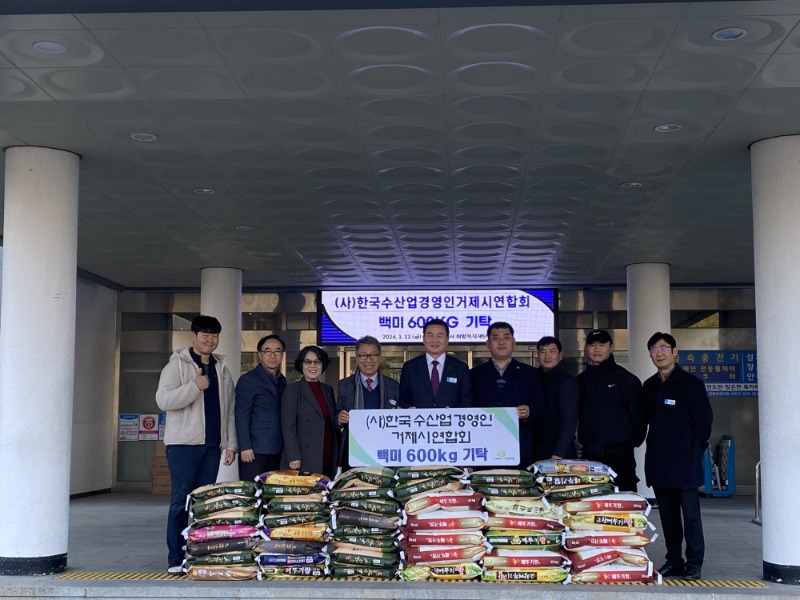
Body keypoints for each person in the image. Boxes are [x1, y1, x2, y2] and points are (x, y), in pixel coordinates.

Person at [155, 315, 236, 574]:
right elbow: (163, 400)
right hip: (183, 445)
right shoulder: (177, 365)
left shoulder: (222, 368)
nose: (210, 340)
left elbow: (230, 411)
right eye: (205, 335)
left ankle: (199, 552)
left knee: (203, 503)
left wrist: (230, 443)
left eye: (214, 335)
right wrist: (194, 386)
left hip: (212, 445)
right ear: (194, 336)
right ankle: (175, 557)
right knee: (180, 500)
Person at [643, 332, 713, 581]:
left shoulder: (691, 384)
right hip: (659, 463)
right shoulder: (650, 386)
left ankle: (694, 563)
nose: (659, 353)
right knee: (669, 518)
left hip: (685, 462)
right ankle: (674, 561)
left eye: (664, 348)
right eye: (653, 349)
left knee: (691, 517)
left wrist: (692, 449)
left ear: (674, 352)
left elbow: (704, 424)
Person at [576, 329, 646, 492]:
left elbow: (640, 419)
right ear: (586, 349)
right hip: (590, 455)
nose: (597, 349)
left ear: (611, 347)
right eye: (592, 345)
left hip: (620, 455)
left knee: (623, 505)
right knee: (592, 507)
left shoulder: (626, 380)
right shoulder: (581, 381)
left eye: (602, 345)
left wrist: (626, 443)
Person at [470, 322, 541, 468]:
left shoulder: (530, 373)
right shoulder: (474, 374)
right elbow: (468, 406)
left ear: (514, 343)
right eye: (495, 338)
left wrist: (529, 411)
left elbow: (540, 405)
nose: (501, 342)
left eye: (506, 337)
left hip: (519, 449)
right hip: (484, 448)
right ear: (488, 344)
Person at [336, 335, 400, 469]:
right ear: (357, 358)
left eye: (373, 355)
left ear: (380, 357)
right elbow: (335, 418)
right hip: (354, 452)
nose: (368, 360)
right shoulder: (344, 385)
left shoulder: (393, 385)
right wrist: (339, 418)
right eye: (363, 355)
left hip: (385, 451)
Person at [281, 345, 339, 478]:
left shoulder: (327, 390)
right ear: (301, 365)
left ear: (322, 365)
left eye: (317, 362)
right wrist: (293, 456)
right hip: (303, 458)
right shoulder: (292, 390)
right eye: (308, 362)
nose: (312, 366)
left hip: (327, 453)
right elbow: (288, 426)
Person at [234, 334, 286, 482]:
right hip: (254, 451)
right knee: (253, 494)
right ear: (260, 354)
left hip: (277, 449)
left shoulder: (282, 380)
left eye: (277, 351)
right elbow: (241, 415)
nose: (272, 355)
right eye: (267, 351)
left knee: (271, 495)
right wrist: (245, 447)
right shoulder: (248, 380)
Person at [398, 318, 471, 409]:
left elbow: (467, 400)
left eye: (439, 336)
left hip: (450, 422)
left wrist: (454, 412)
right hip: (419, 421)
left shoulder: (460, 368)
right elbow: (402, 398)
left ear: (447, 339)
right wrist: (409, 409)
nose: (435, 340)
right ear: (423, 339)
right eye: (430, 335)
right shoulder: (410, 367)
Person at [533, 335, 579, 462]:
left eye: (552, 352)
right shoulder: (533, 378)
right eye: (543, 352)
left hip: (558, 454)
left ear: (560, 355)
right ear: (538, 355)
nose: (547, 356)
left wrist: (559, 453)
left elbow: (569, 422)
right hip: (534, 450)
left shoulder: (567, 381)